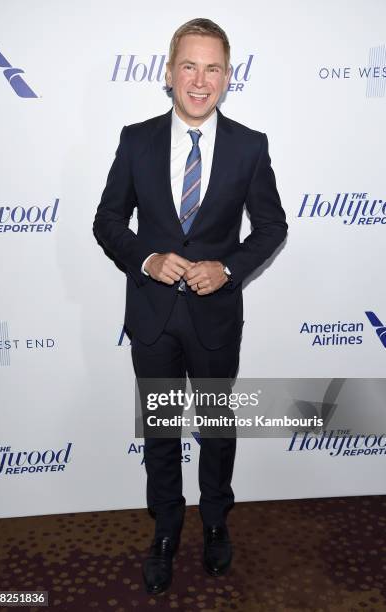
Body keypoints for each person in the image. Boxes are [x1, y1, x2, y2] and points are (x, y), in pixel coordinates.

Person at [93, 17, 287, 594]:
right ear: (169, 72)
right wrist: (146, 260)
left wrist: (227, 269)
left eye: (212, 69)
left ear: (227, 77)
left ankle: (217, 523)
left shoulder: (251, 146)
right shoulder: (136, 138)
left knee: (217, 429)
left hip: (215, 319)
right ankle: (166, 529)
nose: (199, 81)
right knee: (160, 431)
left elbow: (272, 226)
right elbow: (106, 221)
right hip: (151, 316)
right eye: (189, 66)